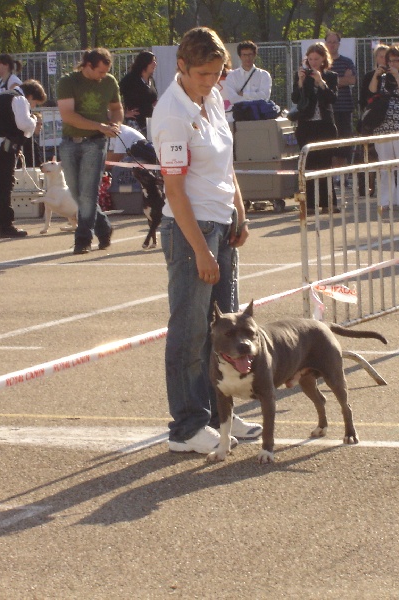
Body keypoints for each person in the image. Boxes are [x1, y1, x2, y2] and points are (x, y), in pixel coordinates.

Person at [150, 26, 259, 455]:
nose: (210, 81)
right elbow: (175, 191)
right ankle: (187, 426)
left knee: (223, 331)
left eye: (216, 72)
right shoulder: (172, 113)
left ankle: (220, 416)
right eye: (201, 74)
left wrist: (241, 211)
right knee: (190, 332)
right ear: (181, 66)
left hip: (223, 221)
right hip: (191, 228)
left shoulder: (212, 98)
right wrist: (200, 249)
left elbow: (225, 163)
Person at [57, 48, 122, 254]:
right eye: (100, 72)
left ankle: (83, 238)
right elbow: (68, 115)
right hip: (70, 141)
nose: (103, 76)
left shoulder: (110, 82)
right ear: (88, 65)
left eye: (106, 72)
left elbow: (116, 108)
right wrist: (99, 125)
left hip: (95, 143)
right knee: (77, 192)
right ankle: (104, 226)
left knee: (88, 193)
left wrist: (115, 124)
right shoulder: (68, 82)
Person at [0, 80, 46, 238]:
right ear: (30, 96)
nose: (34, 107)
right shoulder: (19, 99)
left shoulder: (1, 96)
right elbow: (24, 124)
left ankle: (2, 221)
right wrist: (33, 119)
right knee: (4, 184)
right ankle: (6, 225)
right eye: (35, 103)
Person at [362, 44, 399, 210]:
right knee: (385, 167)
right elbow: (371, 92)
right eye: (390, 61)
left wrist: (397, 76)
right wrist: (377, 75)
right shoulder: (381, 78)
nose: (393, 64)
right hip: (382, 127)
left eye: (397, 60)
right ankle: (385, 200)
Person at [292, 42, 339, 212]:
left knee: (325, 164)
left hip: (325, 125)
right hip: (306, 125)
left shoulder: (331, 76)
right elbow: (296, 99)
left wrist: (320, 82)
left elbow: (332, 99)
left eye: (316, 59)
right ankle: (311, 204)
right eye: (310, 59)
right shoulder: (301, 75)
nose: (313, 62)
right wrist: (301, 82)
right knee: (309, 165)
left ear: (323, 59)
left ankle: (329, 202)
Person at [324, 31, 357, 171]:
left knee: (344, 142)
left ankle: (341, 176)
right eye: (329, 42)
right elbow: (320, 83)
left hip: (344, 108)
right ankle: (331, 173)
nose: (332, 45)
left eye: (335, 42)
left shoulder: (346, 61)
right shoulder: (321, 63)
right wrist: (341, 80)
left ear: (339, 44)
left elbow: (352, 80)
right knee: (328, 142)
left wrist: (330, 82)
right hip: (327, 109)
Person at [120, 51, 158, 136]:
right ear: (144, 63)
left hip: (150, 123)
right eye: (152, 61)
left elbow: (153, 99)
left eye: (155, 61)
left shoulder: (151, 80)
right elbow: (114, 96)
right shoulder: (130, 79)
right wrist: (124, 113)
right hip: (135, 124)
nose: (155, 64)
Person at [224, 41, 273, 106]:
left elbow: (265, 97)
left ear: (255, 55)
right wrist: (255, 96)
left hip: (259, 115)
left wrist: (244, 94)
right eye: (244, 55)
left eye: (250, 54)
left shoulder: (264, 75)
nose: (247, 58)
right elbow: (233, 99)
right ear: (240, 56)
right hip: (240, 114)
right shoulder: (231, 76)